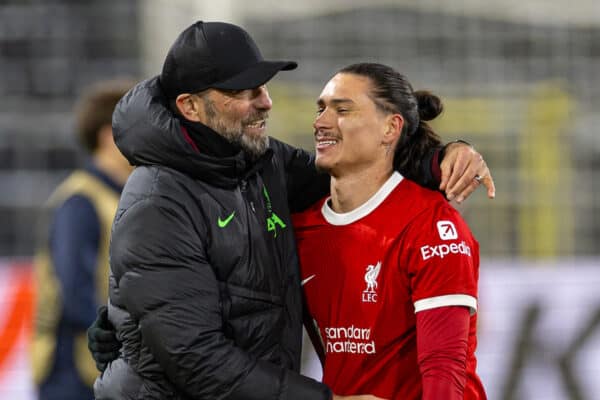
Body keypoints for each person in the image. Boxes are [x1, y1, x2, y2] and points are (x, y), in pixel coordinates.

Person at [88, 21, 493, 399]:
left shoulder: (262, 165)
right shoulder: (158, 202)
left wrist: (442, 158)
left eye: (262, 87)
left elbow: (357, 171)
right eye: (241, 92)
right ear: (191, 107)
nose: (265, 102)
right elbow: (195, 356)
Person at [293, 63, 487, 399]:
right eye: (321, 108)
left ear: (390, 127)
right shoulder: (301, 228)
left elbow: (444, 370)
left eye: (342, 110)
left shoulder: (434, 228)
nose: (321, 122)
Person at [30, 79, 134, 400]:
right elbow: (75, 292)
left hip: (104, 367)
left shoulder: (120, 197)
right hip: (74, 370)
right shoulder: (81, 200)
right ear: (108, 136)